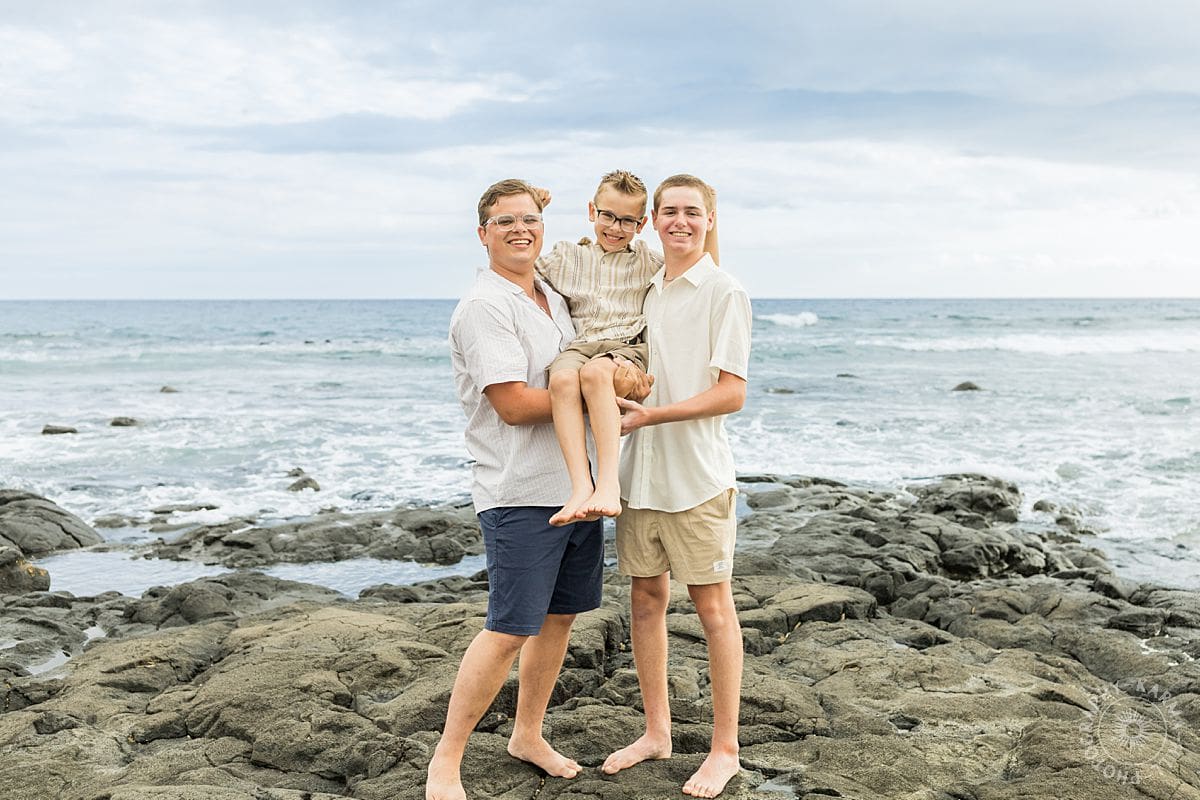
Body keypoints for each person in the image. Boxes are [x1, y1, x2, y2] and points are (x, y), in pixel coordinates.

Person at [427, 178, 647, 800]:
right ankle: (445, 762)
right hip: (519, 491)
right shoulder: (484, 306)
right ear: (482, 234)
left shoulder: (549, 291)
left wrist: (618, 381)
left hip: (574, 487)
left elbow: (584, 361)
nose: (520, 230)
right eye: (505, 223)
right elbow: (514, 405)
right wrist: (596, 390)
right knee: (508, 628)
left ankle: (527, 735)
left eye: (529, 220)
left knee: (557, 620)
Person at [601, 174, 752, 799]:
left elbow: (731, 392)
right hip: (641, 475)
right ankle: (657, 733)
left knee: (714, 611)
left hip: (697, 478)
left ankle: (725, 749)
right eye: (669, 212)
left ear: (711, 219)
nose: (680, 221)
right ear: (654, 221)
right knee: (645, 602)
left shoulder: (724, 289)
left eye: (692, 212)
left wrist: (652, 415)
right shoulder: (648, 287)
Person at [536, 170, 716, 527]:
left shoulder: (649, 260)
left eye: (628, 221)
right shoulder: (565, 256)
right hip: (581, 344)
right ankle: (579, 486)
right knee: (561, 382)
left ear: (643, 222)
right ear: (592, 211)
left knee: (597, 372)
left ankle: (607, 484)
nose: (616, 228)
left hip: (626, 348)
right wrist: (534, 207)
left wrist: (713, 217)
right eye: (608, 216)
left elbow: (705, 270)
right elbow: (521, 261)